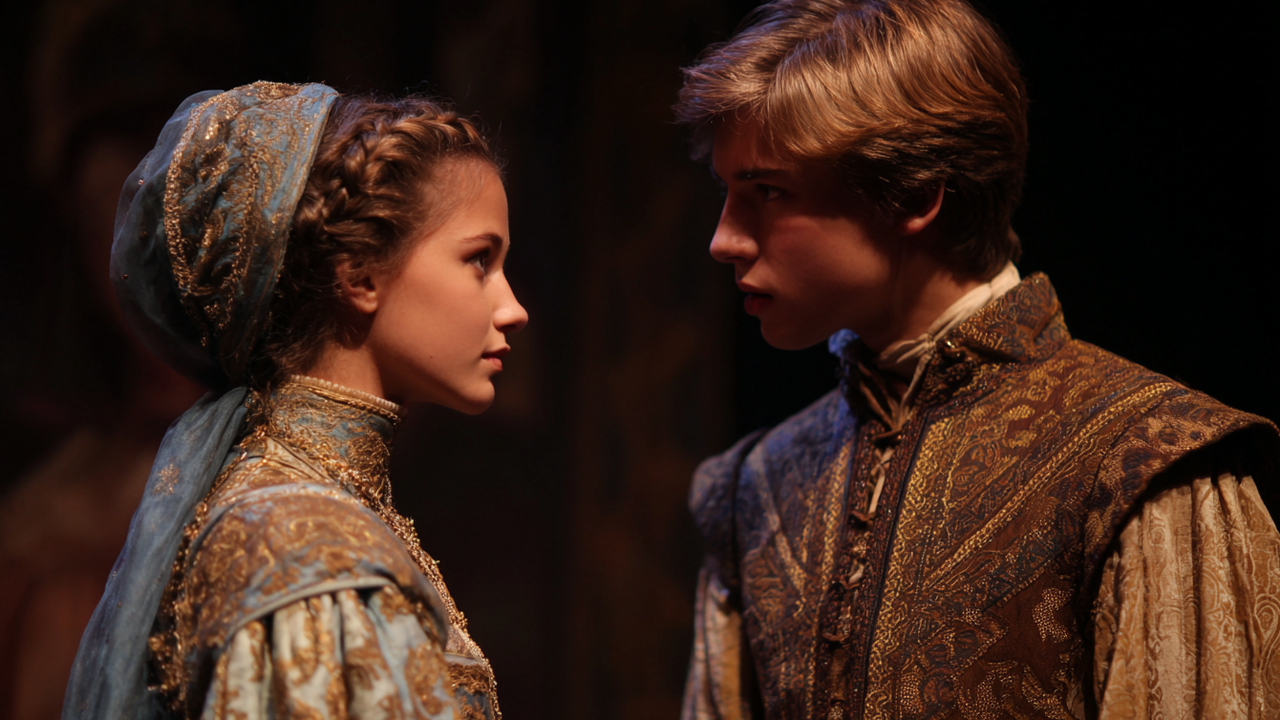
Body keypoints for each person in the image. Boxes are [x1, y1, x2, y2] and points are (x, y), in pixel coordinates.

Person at [674, 1, 1280, 718]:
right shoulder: (755, 487)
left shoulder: (1144, 461)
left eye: (768, 192)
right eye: (727, 192)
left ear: (916, 195)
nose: (724, 240)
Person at [62, 81, 526, 720]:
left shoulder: (327, 517)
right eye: (479, 261)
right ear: (360, 272)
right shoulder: (304, 548)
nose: (513, 308)